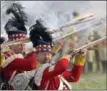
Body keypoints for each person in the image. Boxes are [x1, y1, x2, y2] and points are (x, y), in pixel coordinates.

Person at [29, 19, 87, 90]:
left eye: (48, 54)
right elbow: (62, 66)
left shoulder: (53, 70)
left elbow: (74, 77)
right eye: (43, 54)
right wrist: (69, 56)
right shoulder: (41, 71)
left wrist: (79, 58)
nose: (46, 56)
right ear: (36, 56)